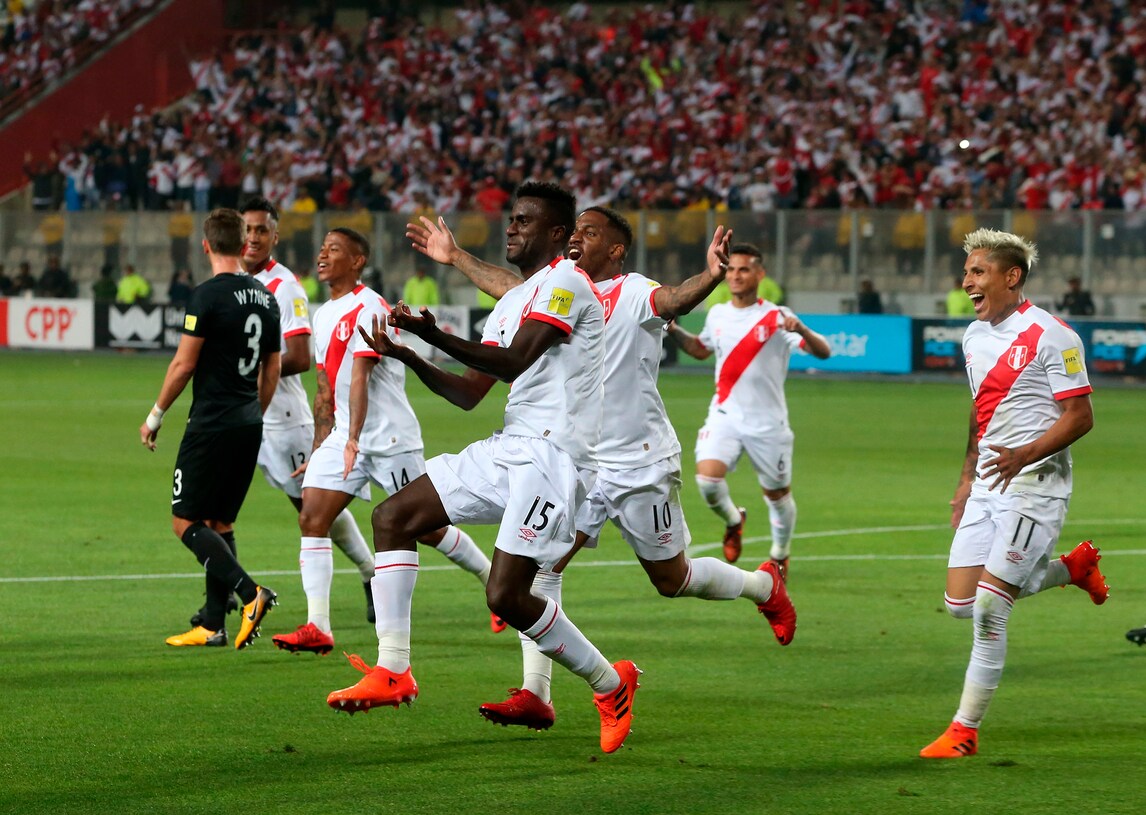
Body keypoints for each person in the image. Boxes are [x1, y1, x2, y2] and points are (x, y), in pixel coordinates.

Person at [409, 205, 798, 733]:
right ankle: (536, 693)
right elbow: (507, 285)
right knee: (542, 568)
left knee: (673, 578)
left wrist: (710, 275)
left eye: (589, 233)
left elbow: (673, 299)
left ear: (615, 250)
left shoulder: (632, 291)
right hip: (578, 462)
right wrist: (455, 256)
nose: (576, 238)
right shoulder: (556, 288)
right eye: (574, 230)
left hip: (640, 462)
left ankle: (762, 587)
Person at [329, 182, 641, 755]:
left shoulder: (569, 283)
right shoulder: (510, 302)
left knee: (505, 596)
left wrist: (433, 334)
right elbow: (470, 393)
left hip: (554, 458)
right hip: (511, 445)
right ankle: (393, 669)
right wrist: (410, 355)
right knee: (393, 517)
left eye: (524, 220)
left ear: (556, 234)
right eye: (511, 219)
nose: (511, 228)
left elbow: (515, 360)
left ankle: (609, 682)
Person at [919, 228, 1107, 759]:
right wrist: (966, 478)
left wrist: (1026, 454)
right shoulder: (973, 337)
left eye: (978, 272)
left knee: (988, 608)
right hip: (988, 480)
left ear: (1011, 276)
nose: (967, 282)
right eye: (966, 272)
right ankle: (1071, 570)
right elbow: (980, 411)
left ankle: (964, 731)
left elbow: (1080, 416)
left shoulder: (1054, 336)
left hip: (1036, 486)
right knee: (959, 603)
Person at [269, 226, 495, 655]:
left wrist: (352, 438)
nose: (322, 255)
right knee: (312, 517)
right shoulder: (323, 313)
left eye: (334, 249)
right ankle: (318, 626)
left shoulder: (369, 306)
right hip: (346, 436)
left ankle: (489, 578)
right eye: (322, 248)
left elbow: (361, 376)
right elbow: (325, 386)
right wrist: (323, 445)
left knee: (428, 529)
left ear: (357, 261)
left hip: (389, 438)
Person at [139, 208, 281, 649]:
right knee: (220, 522)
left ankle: (251, 594)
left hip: (211, 424)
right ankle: (212, 624)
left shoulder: (206, 296)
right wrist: (254, 412)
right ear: (243, 245)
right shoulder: (266, 298)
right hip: (248, 422)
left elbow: (184, 364)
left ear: (206, 246)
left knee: (185, 521)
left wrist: (155, 415)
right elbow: (272, 367)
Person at [669, 243, 831, 576]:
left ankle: (780, 554)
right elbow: (700, 349)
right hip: (724, 415)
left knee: (777, 495)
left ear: (760, 274)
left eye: (743, 269)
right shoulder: (717, 313)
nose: (735, 276)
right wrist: (672, 328)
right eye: (731, 269)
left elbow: (823, 352)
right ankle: (734, 520)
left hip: (768, 423)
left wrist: (801, 329)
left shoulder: (776, 317)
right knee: (707, 480)